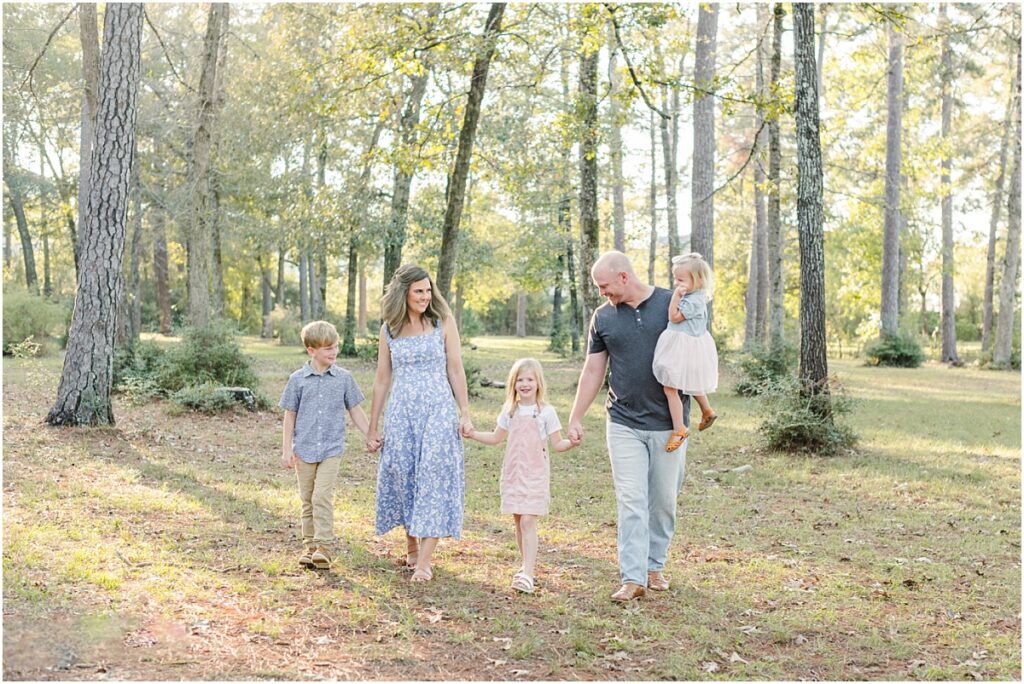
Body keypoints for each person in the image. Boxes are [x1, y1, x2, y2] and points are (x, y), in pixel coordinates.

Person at [566, 251, 690, 602]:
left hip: (669, 423)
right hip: (623, 421)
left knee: (663, 500)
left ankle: (654, 566)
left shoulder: (671, 303)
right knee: (631, 499)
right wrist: (576, 416)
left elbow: (695, 349)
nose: (602, 293)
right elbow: (593, 371)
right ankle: (632, 577)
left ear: (623, 276)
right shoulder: (603, 318)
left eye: (605, 286)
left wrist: (702, 403)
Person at [366, 264, 474, 582]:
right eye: (419, 291)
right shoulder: (389, 329)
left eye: (428, 290)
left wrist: (464, 411)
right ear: (404, 294)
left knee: (433, 478)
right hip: (401, 412)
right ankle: (412, 548)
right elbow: (382, 379)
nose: (425, 296)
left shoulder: (442, 322)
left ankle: (425, 562)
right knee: (403, 474)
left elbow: (455, 369)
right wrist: (373, 426)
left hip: (438, 410)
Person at [466, 358, 576, 594]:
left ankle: (528, 572)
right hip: (514, 472)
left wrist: (572, 442)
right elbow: (496, 438)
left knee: (528, 520)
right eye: (520, 380)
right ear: (513, 384)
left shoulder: (546, 412)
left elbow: (557, 444)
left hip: (535, 473)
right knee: (518, 521)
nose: (525, 384)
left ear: (538, 383)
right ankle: (526, 566)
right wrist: (473, 434)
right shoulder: (510, 411)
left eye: (530, 379)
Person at [280, 320, 372, 570]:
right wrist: (287, 449)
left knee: (322, 495)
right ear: (312, 351)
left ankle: (325, 546)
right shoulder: (297, 380)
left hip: (332, 448)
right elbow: (290, 415)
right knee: (307, 499)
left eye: (335, 347)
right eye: (327, 348)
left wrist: (370, 434)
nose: (333, 352)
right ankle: (310, 548)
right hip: (305, 449)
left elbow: (355, 410)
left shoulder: (344, 378)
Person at [652, 253, 719, 452]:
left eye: (680, 280)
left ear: (696, 280)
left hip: (683, 346)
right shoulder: (695, 297)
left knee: (670, 388)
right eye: (675, 279)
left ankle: (679, 428)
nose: (676, 284)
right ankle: (707, 410)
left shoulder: (693, 301)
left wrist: (675, 296)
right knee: (689, 381)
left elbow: (674, 317)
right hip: (689, 345)